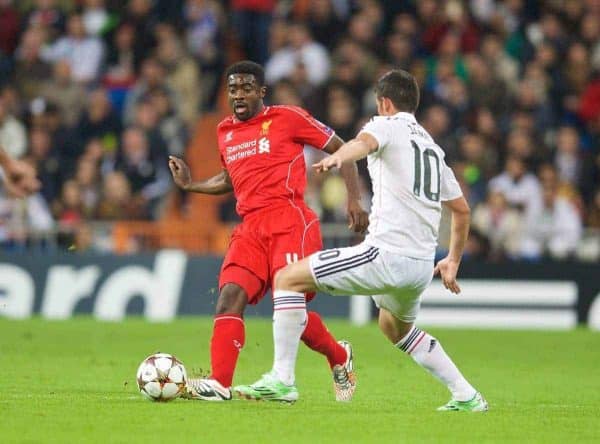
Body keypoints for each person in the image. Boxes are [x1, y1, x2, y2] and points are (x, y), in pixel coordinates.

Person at [235, 69, 488, 412]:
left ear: (384, 103)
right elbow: (461, 211)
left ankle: (283, 379)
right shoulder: (432, 147)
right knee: (393, 327)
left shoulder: (385, 125)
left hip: (386, 255)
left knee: (286, 278)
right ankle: (466, 395)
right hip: (418, 266)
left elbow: (363, 143)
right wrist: (453, 259)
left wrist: (341, 156)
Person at [168, 61, 368, 402]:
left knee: (290, 308)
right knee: (230, 296)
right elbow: (230, 179)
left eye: (246, 88)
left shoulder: (288, 118)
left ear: (261, 92)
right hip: (250, 227)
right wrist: (192, 186)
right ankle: (219, 383)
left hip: (290, 220)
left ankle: (337, 356)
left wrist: (354, 199)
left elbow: (343, 148)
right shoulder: (224, 132)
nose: (239, 95)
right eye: (233, 90)